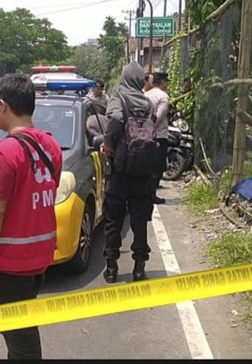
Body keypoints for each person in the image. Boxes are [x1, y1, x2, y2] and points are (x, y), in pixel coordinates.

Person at [0, 74, 62, 360]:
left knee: (20, 338)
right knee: (20, 328)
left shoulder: (5, 152)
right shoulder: (51, 146)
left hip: (11, 261)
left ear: (3, 106)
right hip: (39, 256)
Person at [100, 61, 157, 283]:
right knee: (139, 220)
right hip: (143, 171)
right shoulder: (146, 101)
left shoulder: (119, 97)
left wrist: (108, 143)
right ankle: (139, 268)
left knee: (113, 220)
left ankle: (112, 267)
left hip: (120, 170)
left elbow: (114, 119)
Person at [144, 72, 171, 205]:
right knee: (158, 166)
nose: (167, 85)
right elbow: (158, 117)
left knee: (148, 166)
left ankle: (147, 193)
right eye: (166, 82)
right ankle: (152, 194)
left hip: (144, 135)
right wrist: (151, 127)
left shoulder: (146, 95)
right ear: (162, 82)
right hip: (159, 136)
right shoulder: (163, 97)